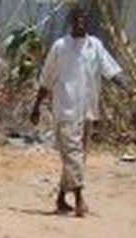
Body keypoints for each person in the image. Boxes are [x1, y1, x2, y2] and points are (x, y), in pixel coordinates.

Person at [29, 5, 122, 217]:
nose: (80, 23)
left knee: (77, 159)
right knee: (73, 156)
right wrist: (35, 107)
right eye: (77, 20)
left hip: (87, 111)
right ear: (71, 22)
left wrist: (125, 84)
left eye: (84, 20)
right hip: (66, 111)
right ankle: (80, 199)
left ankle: (61, 199)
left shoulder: (95, 46)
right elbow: (46, 80)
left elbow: (111, 70)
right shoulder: (60, 47)